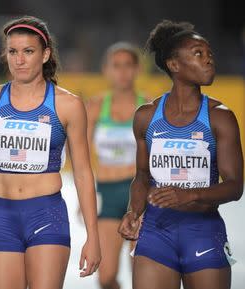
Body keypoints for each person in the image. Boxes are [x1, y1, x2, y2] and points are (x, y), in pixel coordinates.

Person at [0, 16, 101, 289]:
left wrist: (93, 236)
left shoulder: (67, 105)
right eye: (13, 51)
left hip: (47, 215)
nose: (19, 60)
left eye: (28, 51)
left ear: (45, 54)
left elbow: (82, 172)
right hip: (3, 216)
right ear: (5, 54)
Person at [118, 20, 242, 289]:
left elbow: (235, 186)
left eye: (209, 54)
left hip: (203, 233)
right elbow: (141, 175)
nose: (209, 59)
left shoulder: (221, 118)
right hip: (155, 233)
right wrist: (134, 211)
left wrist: (190, 195)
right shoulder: (146, 117)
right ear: (174, 64)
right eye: (198, 53)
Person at [86, 42, 145, 289]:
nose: (122, 72)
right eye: (116, 66)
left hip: (139, 196)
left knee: (142, 276)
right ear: (106, 70)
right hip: (108, 193)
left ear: (137, 70)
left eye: (127, 65)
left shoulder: (148, 107)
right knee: (106, 277)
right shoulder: (96, 106)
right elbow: (82, 157)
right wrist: (85, 199)